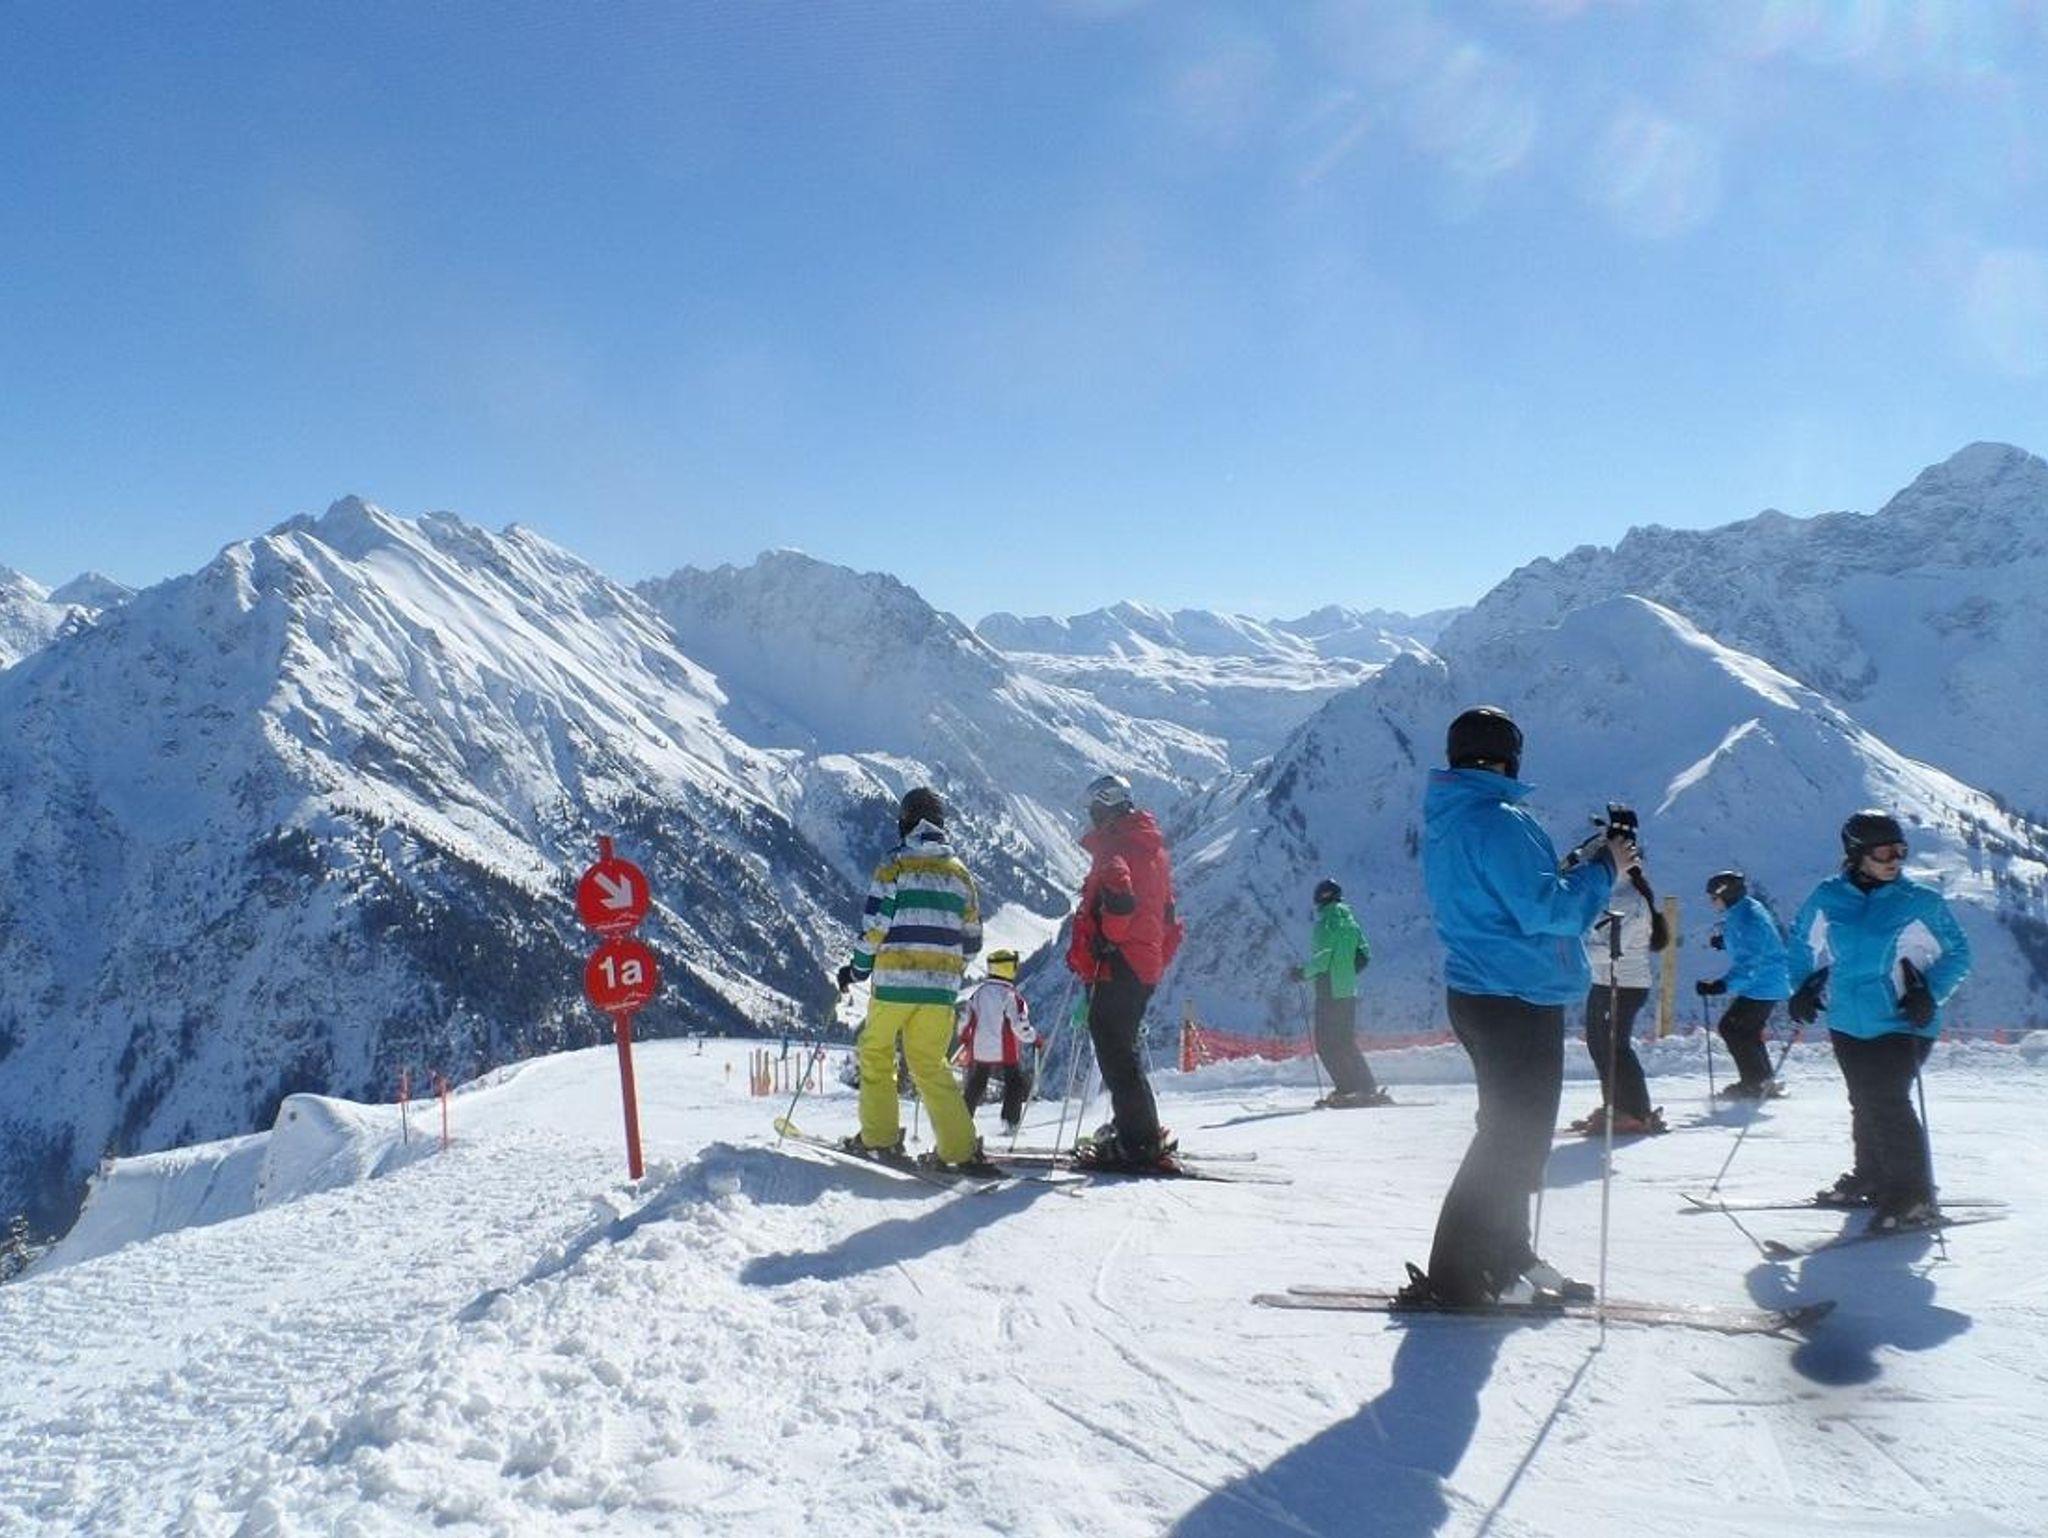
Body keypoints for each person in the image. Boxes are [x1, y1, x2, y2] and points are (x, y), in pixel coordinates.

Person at [1405, 706, 1636, 1307]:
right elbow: (1545, 911)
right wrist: (1605, 870)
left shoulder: (1455, 815)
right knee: (1509, 1143)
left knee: (1512, 1138)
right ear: (1510, 757)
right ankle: (1459, 1274)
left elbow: (1509, 896)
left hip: (1483, 990)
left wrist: (1578, 870)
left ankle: (1507, 1256)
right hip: (1516, 996)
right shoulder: (1500, 820)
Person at [1786, 809, 1972, 1230]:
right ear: (1856, 854)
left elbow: (1960, 954)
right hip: (1847, 1020)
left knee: (1887, 1101)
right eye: (1884, 852)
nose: (1895, 860)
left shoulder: (1920, 901)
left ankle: (1914, 1197)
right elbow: (1800, 944)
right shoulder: (1828, 896)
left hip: (1904, 1019)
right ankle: (1871, 1175)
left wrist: (1929, 993)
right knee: (1864, 1099)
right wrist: (1802, 987)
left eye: (1900, 851)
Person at [836, 786, 994, 1174]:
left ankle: (880, 1139)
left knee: (876, 1053)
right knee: (930, 1065)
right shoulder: (959, 873)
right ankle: (959, 1150)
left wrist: (857, 970)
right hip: (940, 990)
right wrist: (946, 968)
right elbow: (973, 940)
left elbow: (875, 927)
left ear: (905, 823)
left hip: (894, 983)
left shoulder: (895, 866)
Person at [1066, 772, 1185, 1170]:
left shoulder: (1116, 847)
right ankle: (1137, 1128)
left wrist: (1105, 939)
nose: (1091, 816)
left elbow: (1119, 896)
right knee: (1124, 1049)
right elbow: (1167, 910)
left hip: (1118, 962)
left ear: (1107, 807)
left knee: (1115, 1053)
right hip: (1145, 961)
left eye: (1094, 809)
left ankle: (1139, 1143)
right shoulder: (1152, 848)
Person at [1571, 861, 1669, 1135]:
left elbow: (1613, 951)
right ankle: (1616, 1106)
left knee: (1615, 1047)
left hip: (1624, 984)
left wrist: (1573, 949)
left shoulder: (1630, 901)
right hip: (1605, 981)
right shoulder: (1612, 894)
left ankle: (1637, 1112)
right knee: (1600, 1045)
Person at [1291, 879, 1388, 1107]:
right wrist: (1346, 973)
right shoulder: (1351, 923)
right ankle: (1366, 1087)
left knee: (1326, 1045)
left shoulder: (1325, 924)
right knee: (1345, 1041)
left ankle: (1347, 1089)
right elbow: (1365, 955)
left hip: (1329, 991)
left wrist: (1302, 973)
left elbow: (1322, 961)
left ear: (1320, 900)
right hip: (1348, 990)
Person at [1696, 870, 1792, 1098]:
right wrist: (1726, 942)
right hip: (1767, 981)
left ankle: (1754, 1084)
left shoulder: (1748, 920)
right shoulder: (1745, 909)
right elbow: (1753, 943)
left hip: (1762, 983)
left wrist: (1721, 985)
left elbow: (1750, 963)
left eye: (1714, 897)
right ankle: (1762, 1081)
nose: (1712, 902)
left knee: (1732, 1028)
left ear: (1725, 894)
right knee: (1746, 1030)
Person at [957, 949, 1039, 1137]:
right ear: (1009, 968)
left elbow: (965, 1020)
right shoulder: (1010, 995)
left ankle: (962, 1120)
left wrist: (964, 1038)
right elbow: (1019, 1025)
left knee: (977, 1083)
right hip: (1005, 1048)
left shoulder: (978, 993)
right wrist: (1034, 1037)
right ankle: (1010, 1121)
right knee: (1014, 1083)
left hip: (981, 1048)